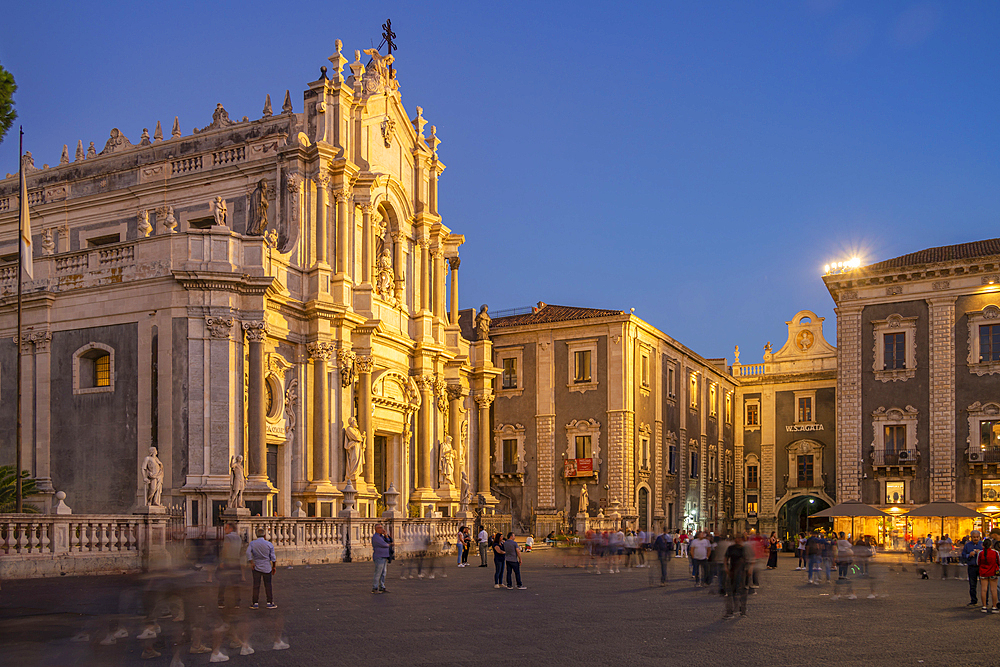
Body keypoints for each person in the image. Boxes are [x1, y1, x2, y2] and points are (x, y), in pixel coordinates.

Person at [246, 528, 276, 609]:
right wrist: (274, 566)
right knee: (268, 585)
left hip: (257, 566)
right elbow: (273, 557)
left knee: (256, 585)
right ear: (265, 535)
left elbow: (248, 553)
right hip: (267, 566)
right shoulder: (269, 544)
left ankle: (255, 602)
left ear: (256, 535)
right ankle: (269, 602)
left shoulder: (252, 543)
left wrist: (251, 562)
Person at [217, 523, 244, 609]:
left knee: (223, 582)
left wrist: (222, 561)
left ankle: (221, 601)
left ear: (231, 529)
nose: (225, 529)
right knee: (235, 583)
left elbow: (226, 549)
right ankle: (237, 602)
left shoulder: (228, 537)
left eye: (226, 528)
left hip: (228, 561)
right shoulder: (239, 538)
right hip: (236, 561)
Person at [723, 534, 750, 619]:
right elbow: (725, 558)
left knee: (742, 591)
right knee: (732, 591)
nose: (737, 540)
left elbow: (747, 560)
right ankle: (731, 611)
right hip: (732, 571)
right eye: (736, 538)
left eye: (739, 538)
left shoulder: (743, 549)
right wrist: (726, 568)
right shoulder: (731, 548)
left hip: (742, 572)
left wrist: (749, 569)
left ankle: (742, 611)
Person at [978, 538, 1000, 613]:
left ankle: (984, 606)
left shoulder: (981, 553)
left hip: (983, 572)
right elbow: (998, 562)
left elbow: (978, 562)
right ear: (991, 545)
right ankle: (994, 606)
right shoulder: (995, 552)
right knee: (993, 590)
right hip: (993, 572)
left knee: (984, 589)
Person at [962, 530, 984, 607]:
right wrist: (969, 555)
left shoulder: (982, 544)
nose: (976, 538)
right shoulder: (967, 545)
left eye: (977, 537)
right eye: (974, 537)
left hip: (981, 567)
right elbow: (963, 555)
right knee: (972, 585)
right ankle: (973, 600)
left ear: (979, 537)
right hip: (972, 567)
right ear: (971, 537)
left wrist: (980, 553)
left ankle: (985, 601)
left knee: (984, 585)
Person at [372, 523, 393, 593]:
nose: (381, 529)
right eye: (379, 528)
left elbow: (389, 541)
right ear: (376, 529)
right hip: (379, 556)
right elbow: (385, 545)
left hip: (384, 556)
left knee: (383, 572)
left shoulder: (381, 536)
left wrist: (386, 534)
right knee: (378, 573)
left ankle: (382, 586)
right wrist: (389, 544)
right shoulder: (376, 537)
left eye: (382, 527)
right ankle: (375, 588)